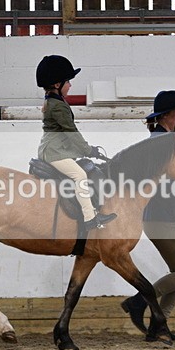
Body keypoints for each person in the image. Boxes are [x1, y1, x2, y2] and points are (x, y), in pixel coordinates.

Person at [120, 90, 175, 341]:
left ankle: (160, 324)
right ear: (166, 116)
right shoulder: (159, 144)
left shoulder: (169, 142)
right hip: (158, 217)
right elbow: (164, 188)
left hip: (164, 217)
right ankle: (139, 302)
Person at [36, 55, 116, 231]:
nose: (70, 85)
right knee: (80, 176)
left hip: (53, 148)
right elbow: (71, 132)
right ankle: (90, 218)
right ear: (57, 85)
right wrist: (88, 150)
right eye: (68, 82)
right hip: (54, 152)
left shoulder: (53, 101)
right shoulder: (58, 106)